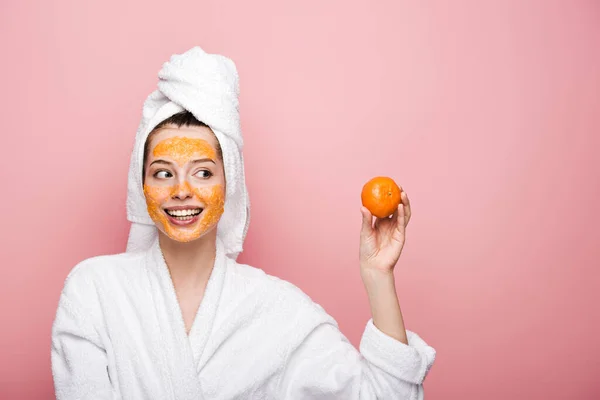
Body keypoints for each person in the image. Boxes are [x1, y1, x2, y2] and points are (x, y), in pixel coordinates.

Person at [51, 47, 436, 400]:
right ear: (142, 185)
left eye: (202, 172)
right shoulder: (94, 291)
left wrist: (377, 275)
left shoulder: (276, 310)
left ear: (229, 182)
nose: (181, 190)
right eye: (163, 173)